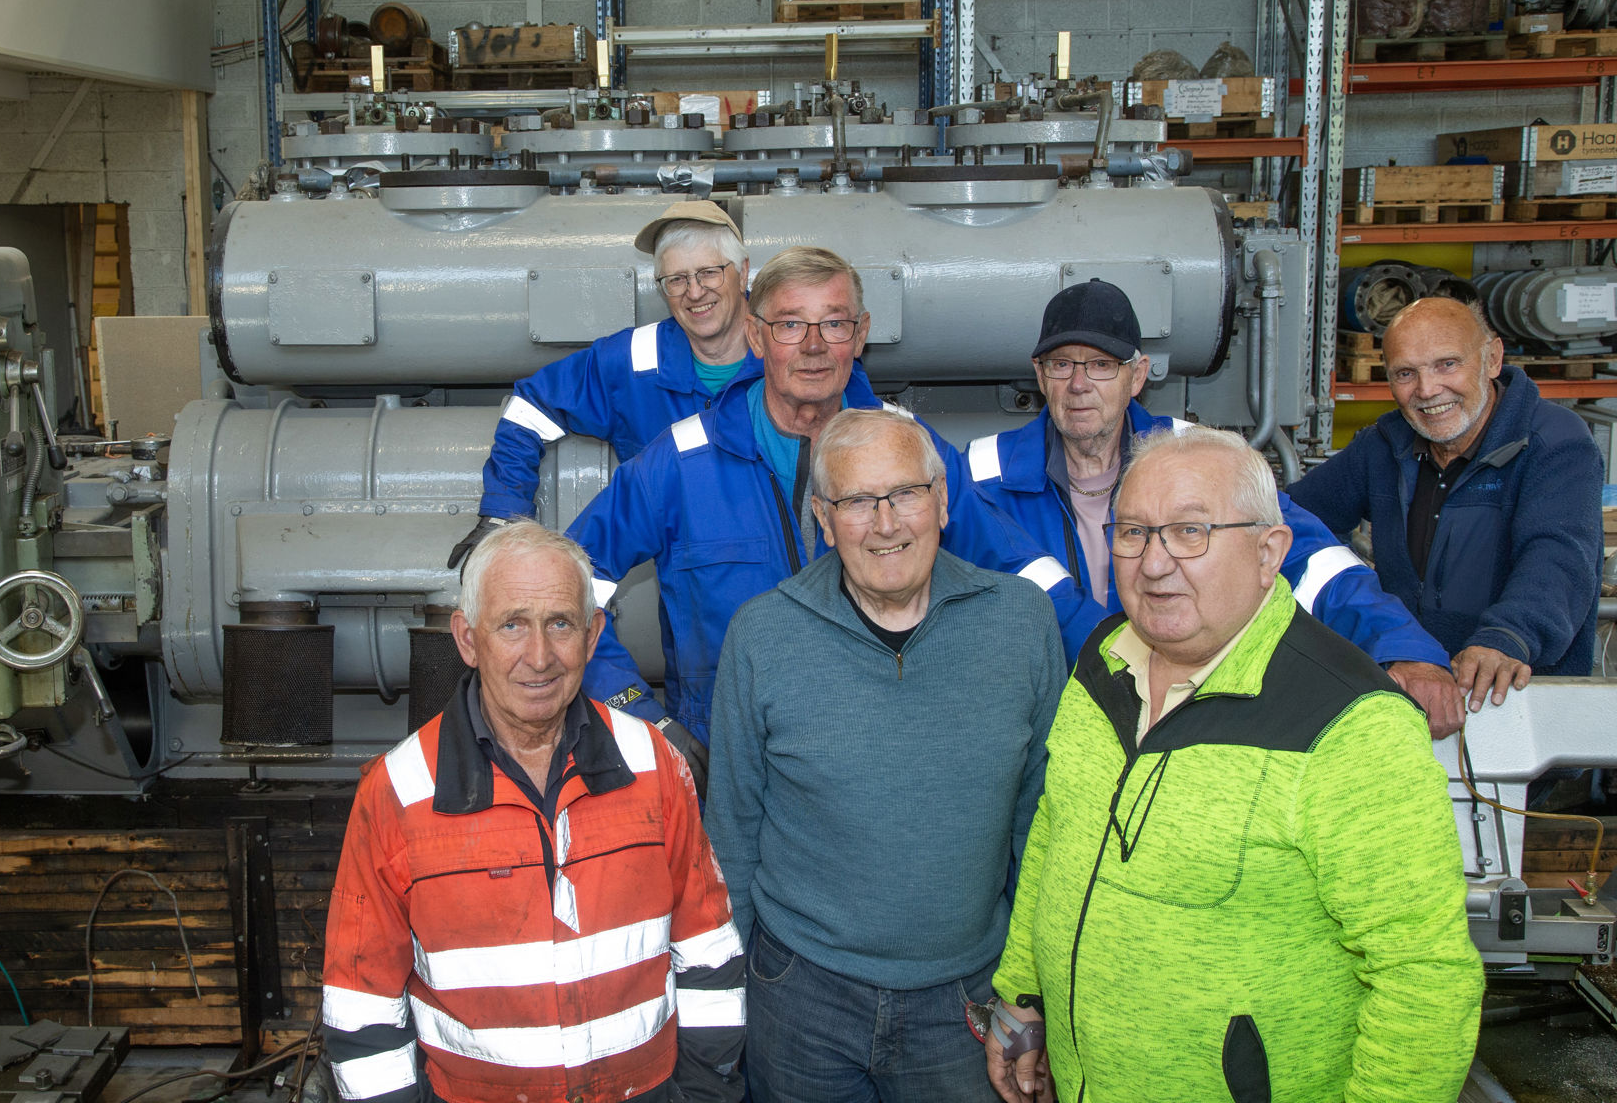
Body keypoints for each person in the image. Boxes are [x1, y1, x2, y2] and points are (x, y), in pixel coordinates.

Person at [985, 425, 1482, 1103]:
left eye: (1191, 532)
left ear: (1269, 551)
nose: (1154, 563)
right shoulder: (1102, 659)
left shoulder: (1350, 725)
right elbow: (1057, 832)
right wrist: (1023, 990)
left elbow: (1425, 982)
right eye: (1133, 532)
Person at [567, 246, 1095, 769]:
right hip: (729, 761)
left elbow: (1022, 568)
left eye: (835, 325)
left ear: (861, 335)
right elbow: (567, 586)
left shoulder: (909, 447)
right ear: (756, 336)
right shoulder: (680, 463)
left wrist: (1115, 654)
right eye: (791, 325)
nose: (814, 347)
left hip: (883, 752)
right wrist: (645, 718)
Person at [707, 409, 1065, 1103]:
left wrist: (1029, 997)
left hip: (967, 999)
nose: (886, 522)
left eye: (905, 493)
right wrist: (736, 1003)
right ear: (821, 516)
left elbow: (1043, 830)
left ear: (941, 500)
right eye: (856, 502)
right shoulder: (763, 636)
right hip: (800, 996)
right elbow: (734, 837)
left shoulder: (1020, 623)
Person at [319, 521, 745, 1103]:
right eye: (512, 624)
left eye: (561, 624)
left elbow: (709, 956)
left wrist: (701, 1095)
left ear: (594, 636)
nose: (540, 657)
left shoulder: (654, 765)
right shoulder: (398, 791)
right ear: (468, 639)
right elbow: (361, 1003)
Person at [967, 279, 1466, 735]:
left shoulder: (1200, 460)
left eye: (1101, 365)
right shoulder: (983, 475)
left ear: (1137, 375)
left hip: (1184, 714)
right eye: (1061, 365)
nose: (1079, 385)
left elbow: (1314, 564)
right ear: (1040, 374)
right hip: (1048, 721)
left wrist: (1404, 647)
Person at [1291, 295, 1603, 709]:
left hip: (1510, 693)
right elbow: (1289, 520)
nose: (1427, 390)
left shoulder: (1554, 443)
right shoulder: (1383, 446)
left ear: (1492, 359)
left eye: (1447, 365)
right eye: (1406, 373)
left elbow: (1558, 557)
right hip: (1403, 687)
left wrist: (1505, 639)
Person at [448, 200, 757, 569]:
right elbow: (530, 406)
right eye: (676, 279)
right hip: (691, 607)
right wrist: (504, 512)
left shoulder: (797, 352)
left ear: (743, 271)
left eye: (709, 273)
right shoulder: (632, 362)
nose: (694, 292)